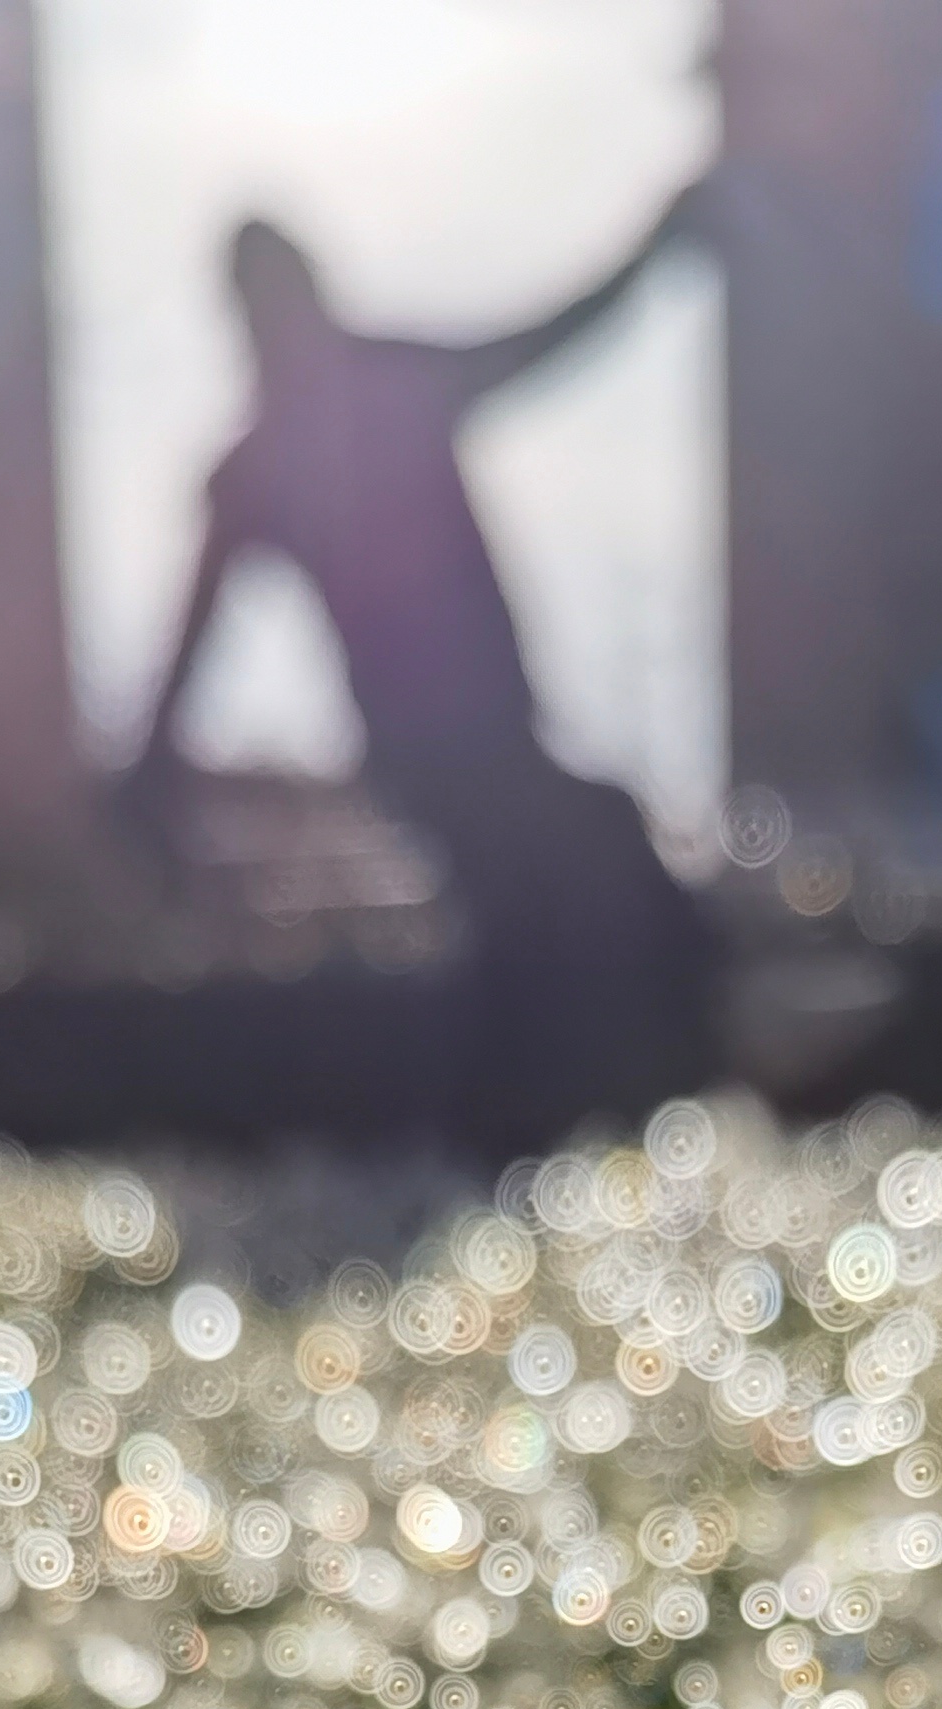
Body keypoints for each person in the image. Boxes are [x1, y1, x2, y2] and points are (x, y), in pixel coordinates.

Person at [132, 193, 714, 1128]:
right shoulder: (271, 460)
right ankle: (579, 1121)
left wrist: (653, 248)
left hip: (481, 740)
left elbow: (549, 334)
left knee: (554, 907)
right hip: (437, 757)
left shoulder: (376, 396)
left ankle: (560, 1123)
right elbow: (185, 649)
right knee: (570, 889)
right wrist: (148, 774)